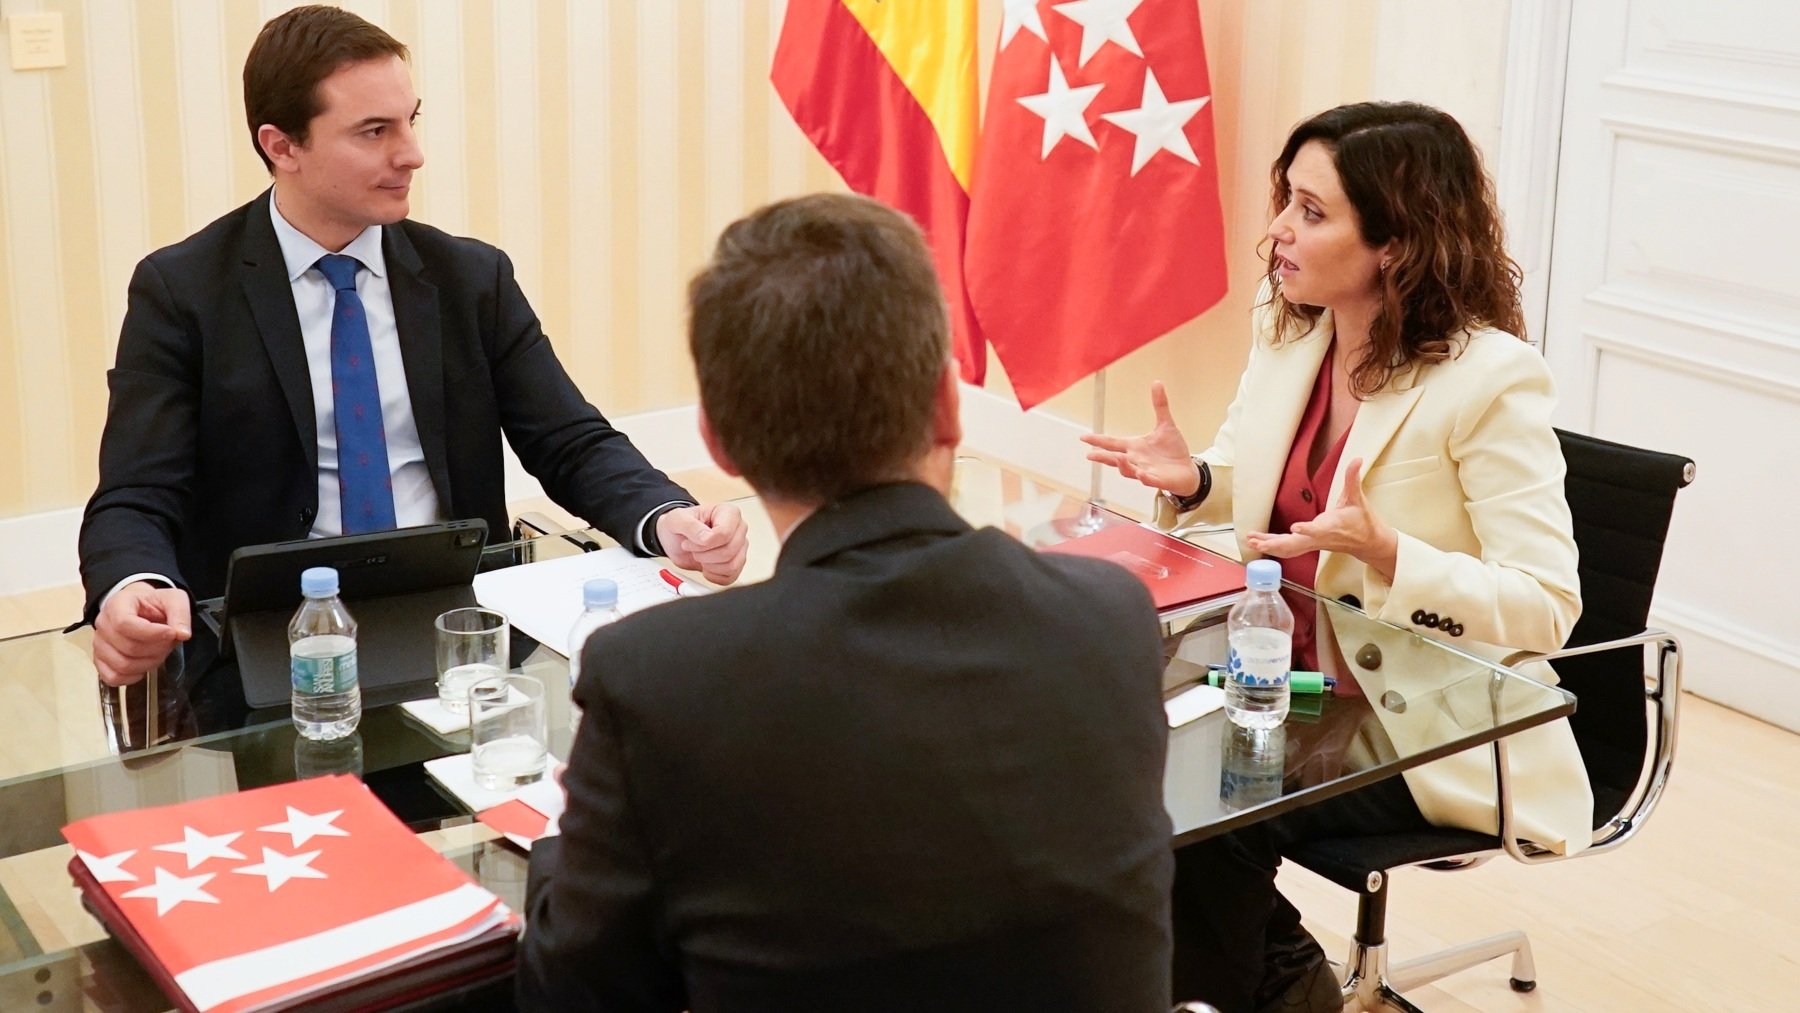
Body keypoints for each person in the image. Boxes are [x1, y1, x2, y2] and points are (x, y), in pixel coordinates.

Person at [516, 193, 1175, 1012]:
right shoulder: (1111, 614)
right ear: (947, 406)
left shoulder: (659, 677)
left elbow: (572, 994)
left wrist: (559, 843)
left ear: (717, 442)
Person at [78, 5, 747, 704]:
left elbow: (570, 441)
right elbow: (134, 495)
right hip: (267, 645)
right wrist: (136, 585)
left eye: (410, 121)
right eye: (374, 131)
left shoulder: (469, 278)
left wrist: (667, 517)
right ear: (282, 145)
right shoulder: (183, 290)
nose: (411, 153)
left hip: (459, 627)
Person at [1084, 102, 1587, 1012]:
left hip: (1411, 716)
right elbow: (1259, 490)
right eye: (1286, 200)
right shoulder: (1292, 333)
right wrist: (1197, 477)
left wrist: (1394, 554)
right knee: (1092, 759)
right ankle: (1279, 982)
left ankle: (1268, 990)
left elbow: (1547, 602)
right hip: (1272, 679)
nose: (1278, 228)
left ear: (1395, 242)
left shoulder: (1491, 378)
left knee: (1192, 819)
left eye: (1311, 212)